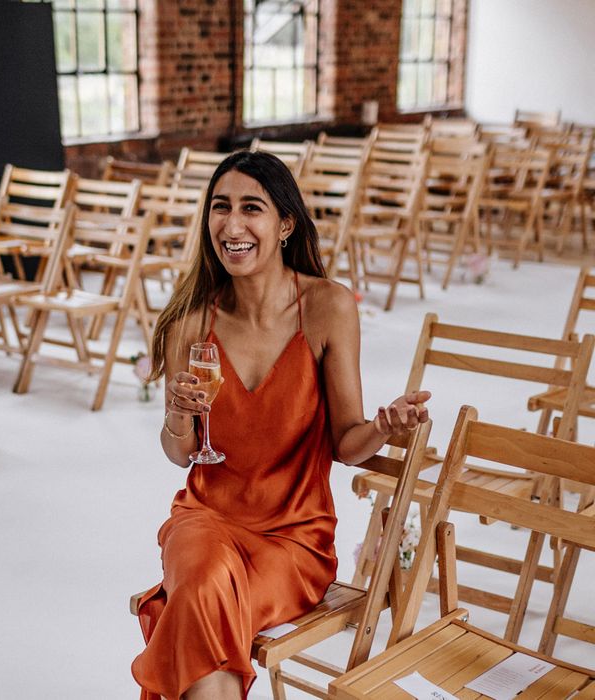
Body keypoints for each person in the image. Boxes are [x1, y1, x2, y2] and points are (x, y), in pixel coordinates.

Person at [131, 150, 430, 700]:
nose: (233, 224)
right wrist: (176, 414)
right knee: (200, 586)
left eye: (253, 208)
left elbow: (346, 442)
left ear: (285, 223)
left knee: (199, 604)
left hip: (293, 539)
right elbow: (182, 453)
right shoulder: (190, 321)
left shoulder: (327, 307)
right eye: (220, 208)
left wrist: (385, 428)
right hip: (205, 519)